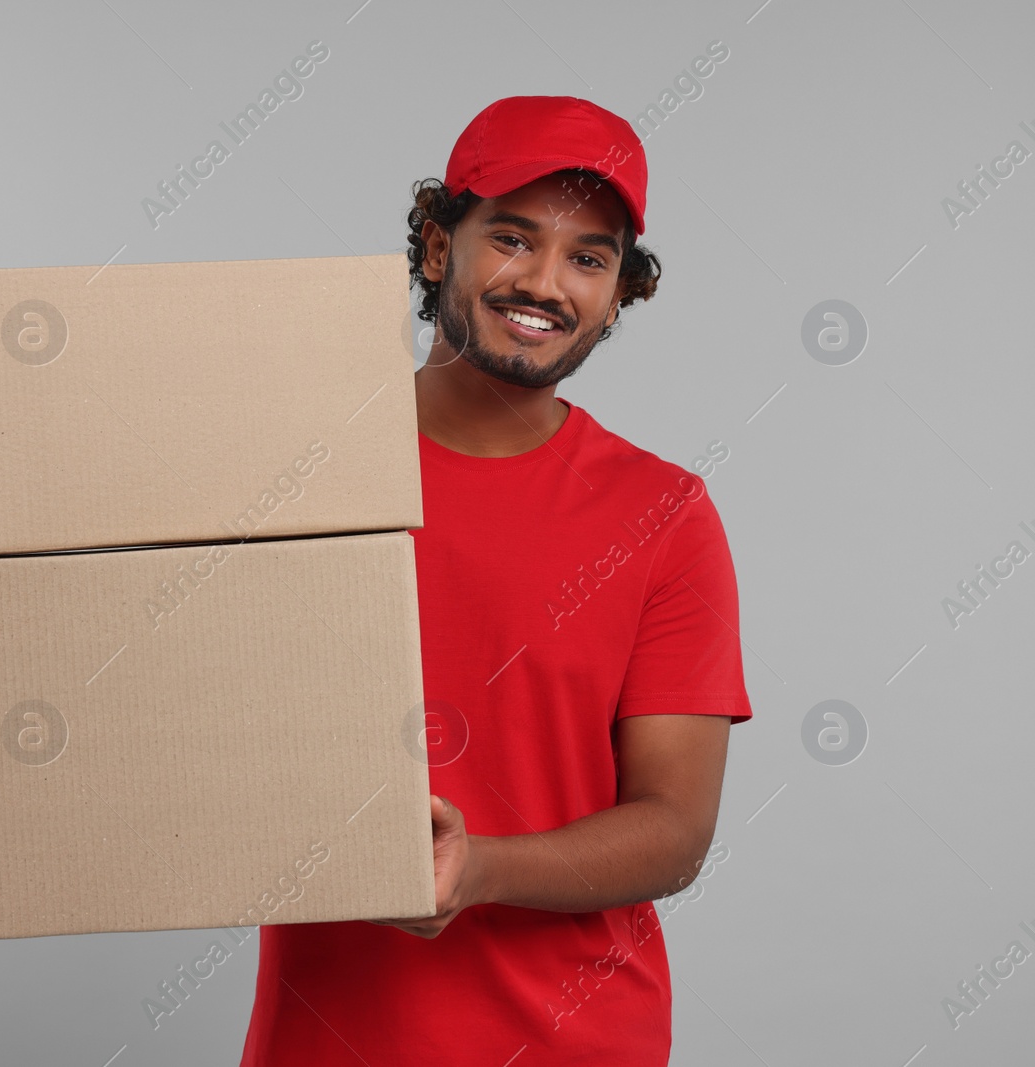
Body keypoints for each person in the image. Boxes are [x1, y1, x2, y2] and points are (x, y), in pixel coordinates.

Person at [240, 95, 754, 1066]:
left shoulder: (665, 516)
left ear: (619, 294)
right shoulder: (303, 476)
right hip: (328, 1040)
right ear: (438, 246)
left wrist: (479, 869)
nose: (545, 283)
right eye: (511, 237)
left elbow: (675, 828)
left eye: (588, 257)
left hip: (579, 1043)